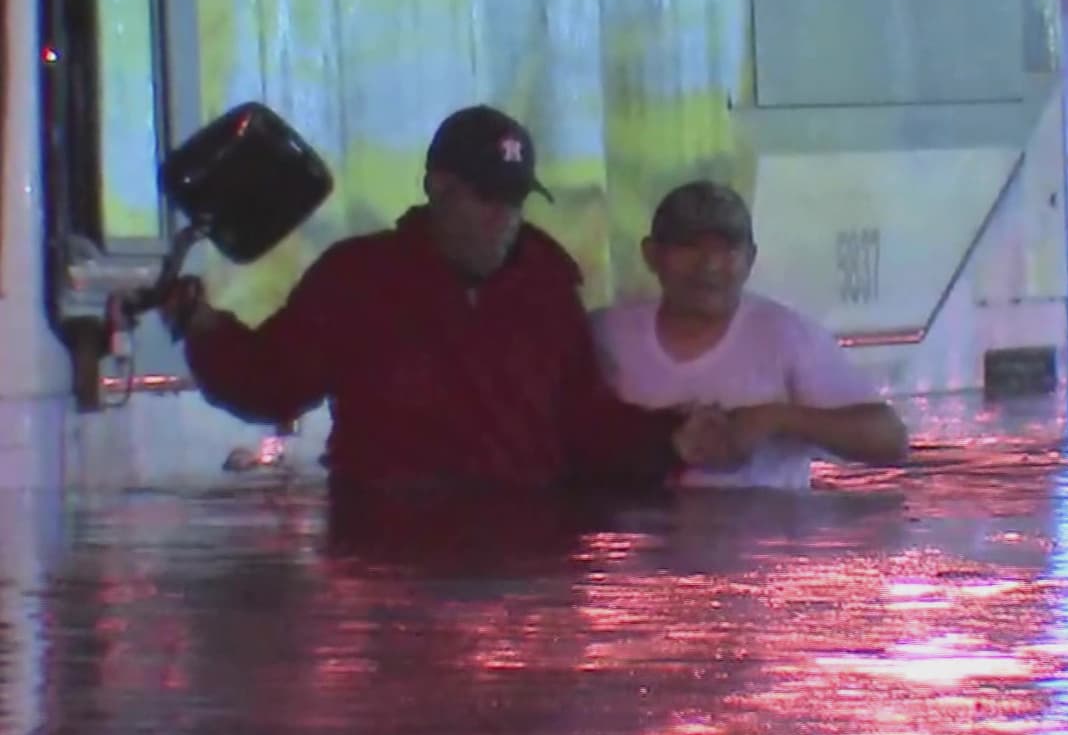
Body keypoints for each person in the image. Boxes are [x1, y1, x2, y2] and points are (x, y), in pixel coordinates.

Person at [165, 105, 742, 492]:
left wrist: (666, 439)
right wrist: (203, 327)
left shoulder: (546, 285)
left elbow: (583, 425)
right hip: (391, 555)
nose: (504, 219)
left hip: (525, 558)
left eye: (515, 201)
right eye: (487, 199)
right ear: (438, 188)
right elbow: (270, 384)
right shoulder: (358, 280)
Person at [591, 180, 909, 490]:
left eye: (728, 248)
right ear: (651, 255)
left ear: (750, 259)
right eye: (688, 247)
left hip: (770, 541)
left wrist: (774, 419)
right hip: (648, 539)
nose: (710, 265)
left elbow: (891, 442)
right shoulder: (608, 334)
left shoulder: (786, 336)